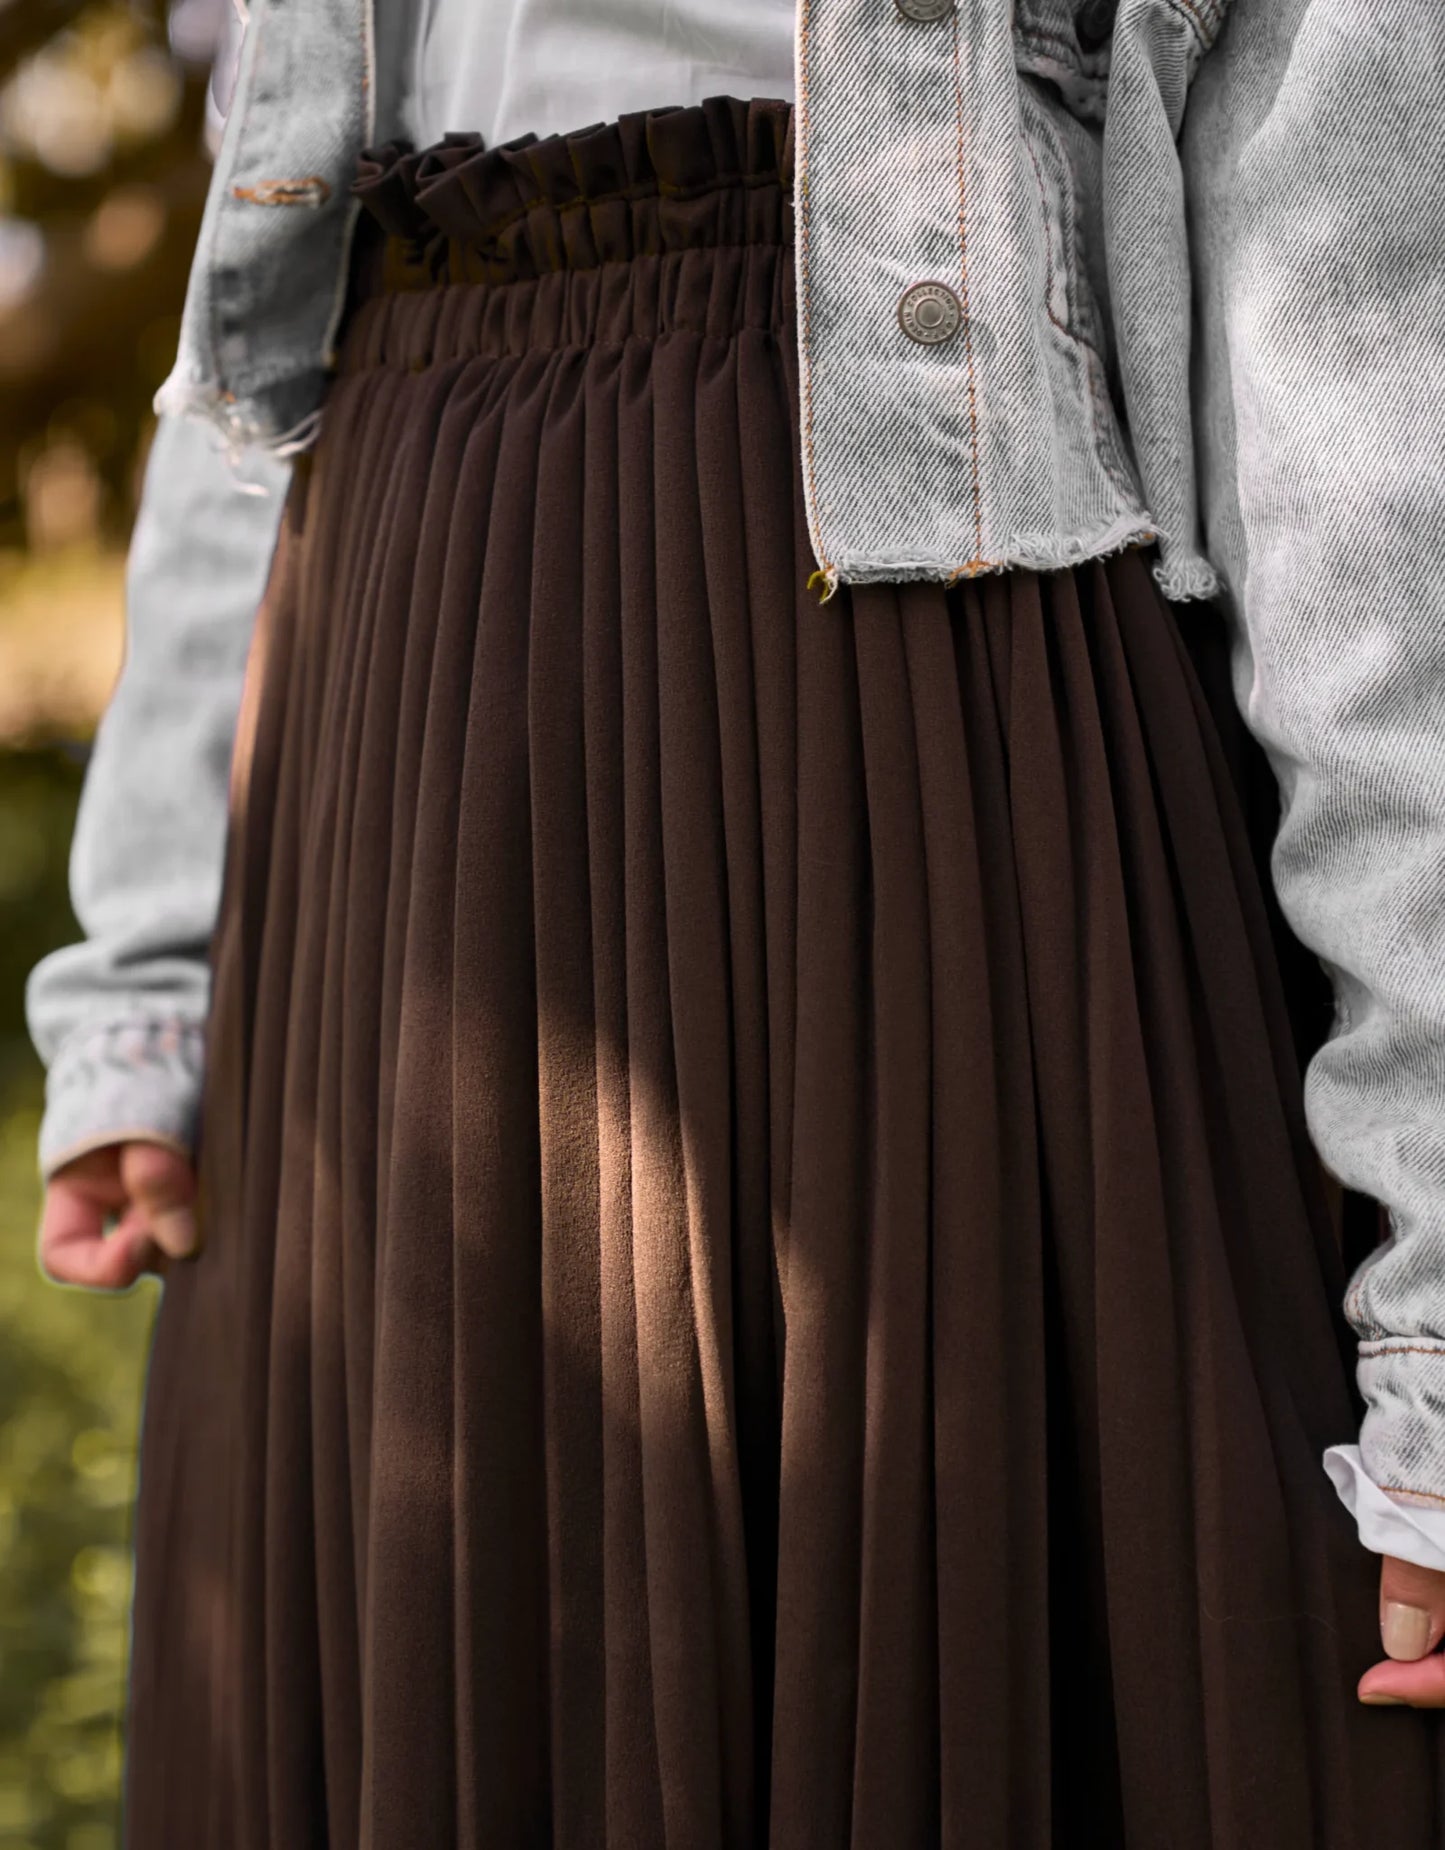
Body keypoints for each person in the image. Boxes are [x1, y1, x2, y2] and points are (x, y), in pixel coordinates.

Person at [25, 0, 1445, 1841]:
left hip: (922, 706)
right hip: (399, 689)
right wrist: (149, 969)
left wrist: (1428, 1315)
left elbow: (1351, 394)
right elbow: (262, 308)